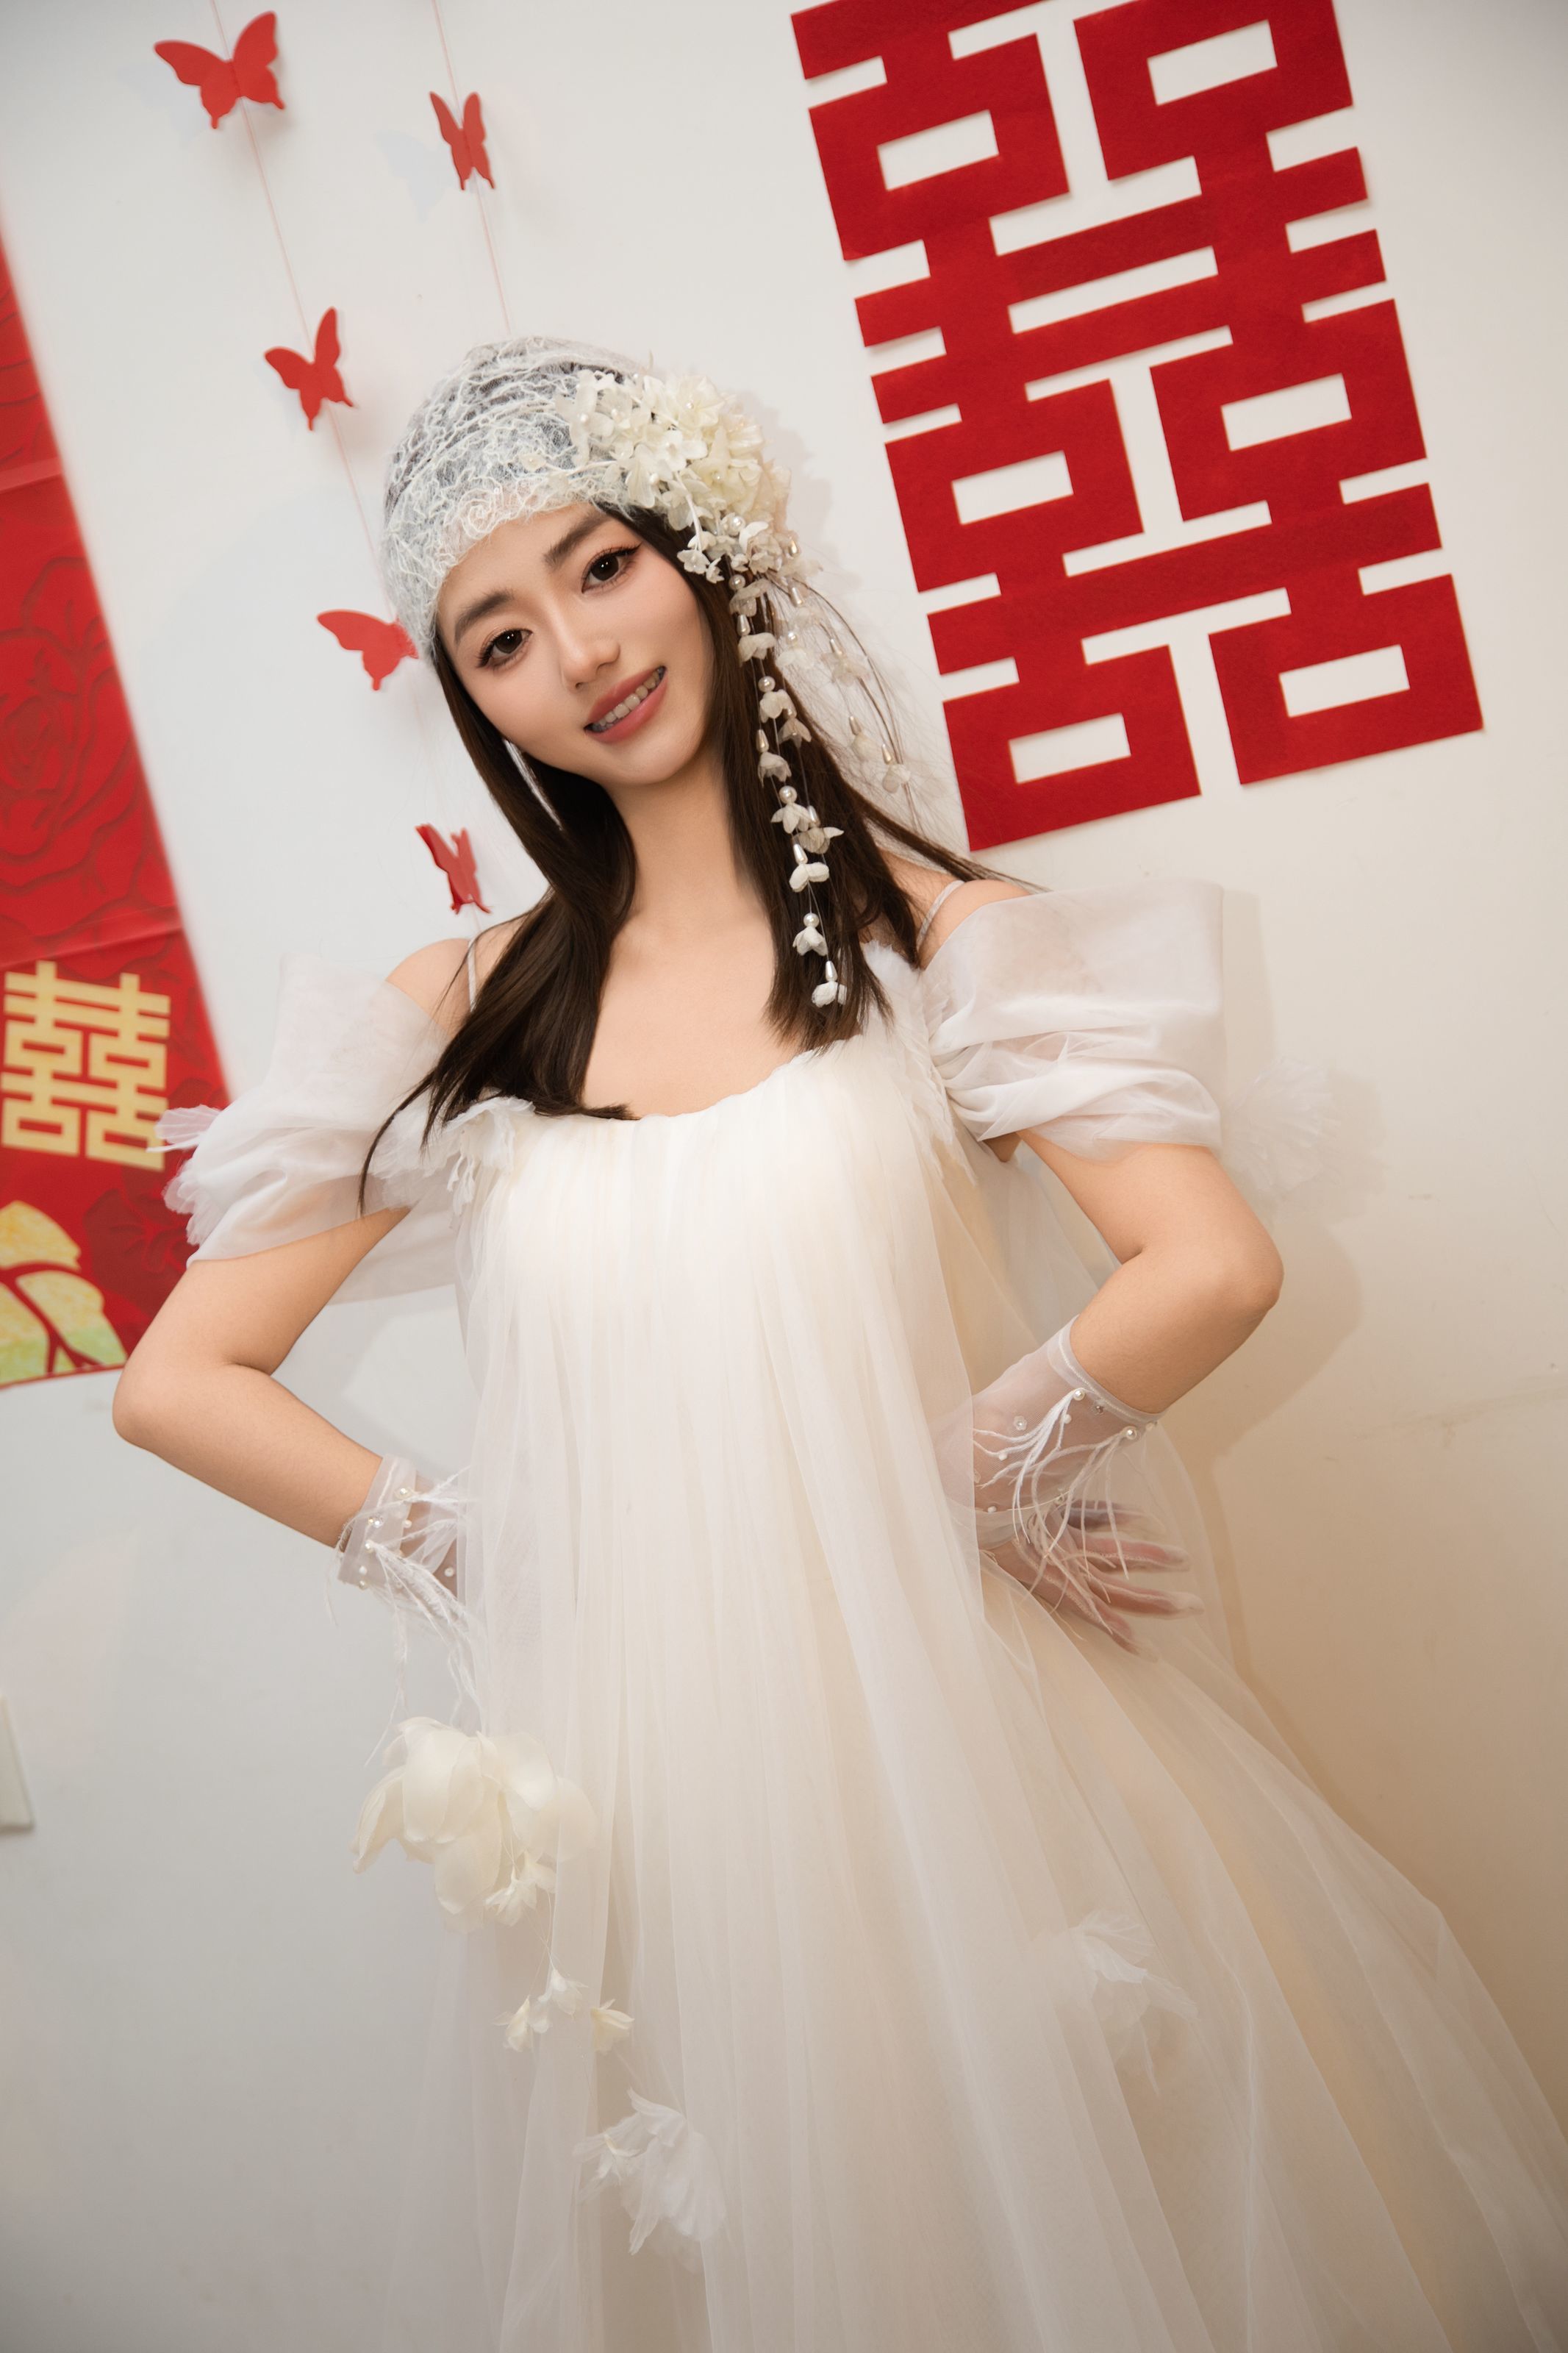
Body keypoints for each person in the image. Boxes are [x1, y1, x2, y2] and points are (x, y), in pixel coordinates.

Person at [115, 336, 1568, 2352]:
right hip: (656, 1795)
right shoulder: (467, 1007)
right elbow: (177, 1384)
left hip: (973, 1750)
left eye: (603, 566)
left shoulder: (936, 942)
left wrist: (952, 1482)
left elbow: (1211, 1266)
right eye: (503, 638)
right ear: (476, 703)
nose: (581, 654)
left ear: (700, 551)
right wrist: (504, 1553)